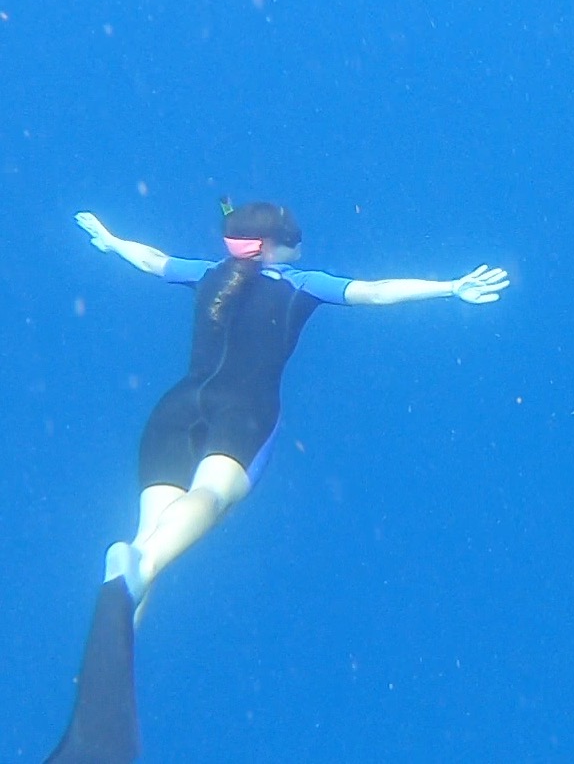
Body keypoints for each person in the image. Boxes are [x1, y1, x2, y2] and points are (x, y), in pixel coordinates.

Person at [47, 201, 508, 763]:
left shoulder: (207, 272)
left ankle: (107, 672)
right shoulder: (301, 284)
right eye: (295, 241)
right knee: (209, 498)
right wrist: (451, 288)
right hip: (241, 413)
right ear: (275, 248)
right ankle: (131, 575)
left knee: (150, 548)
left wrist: (111, 239)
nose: (301, 249)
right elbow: (377, 290)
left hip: (174, 410)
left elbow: (150, 260)